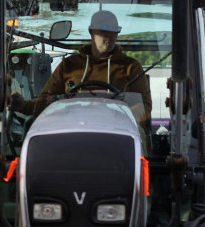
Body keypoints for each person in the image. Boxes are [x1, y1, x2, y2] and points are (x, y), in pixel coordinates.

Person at [11, 10, 152, 134]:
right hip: (72, 130)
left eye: (115, 30)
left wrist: (115, 115)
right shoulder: (70, 65)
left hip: (118, 132)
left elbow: (144, 107)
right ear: (91, 31)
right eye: (104, 29)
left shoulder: (130, 67)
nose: (110, 35)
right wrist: (24, 105)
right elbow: (46, 101)